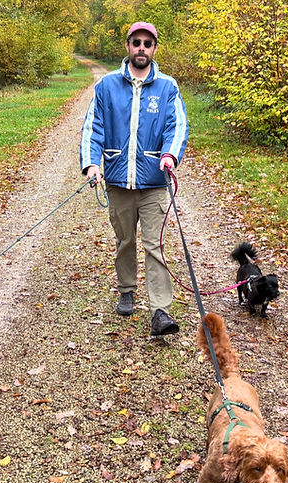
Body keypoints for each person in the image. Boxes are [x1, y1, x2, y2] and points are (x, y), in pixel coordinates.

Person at [79, 21, 189, 337]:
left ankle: (160, 311)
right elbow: (92, 128)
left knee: (154, 246)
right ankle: (127, 289)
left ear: (154, 49)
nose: (142, 48)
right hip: (117, 181)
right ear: (127, 46)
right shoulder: (106, 86)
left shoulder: (168, 86)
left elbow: (177, 126)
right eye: (136, 42)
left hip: (155, 183)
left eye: (147, 43)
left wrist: (169, 154)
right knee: (125, 240)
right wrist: (91, 165)